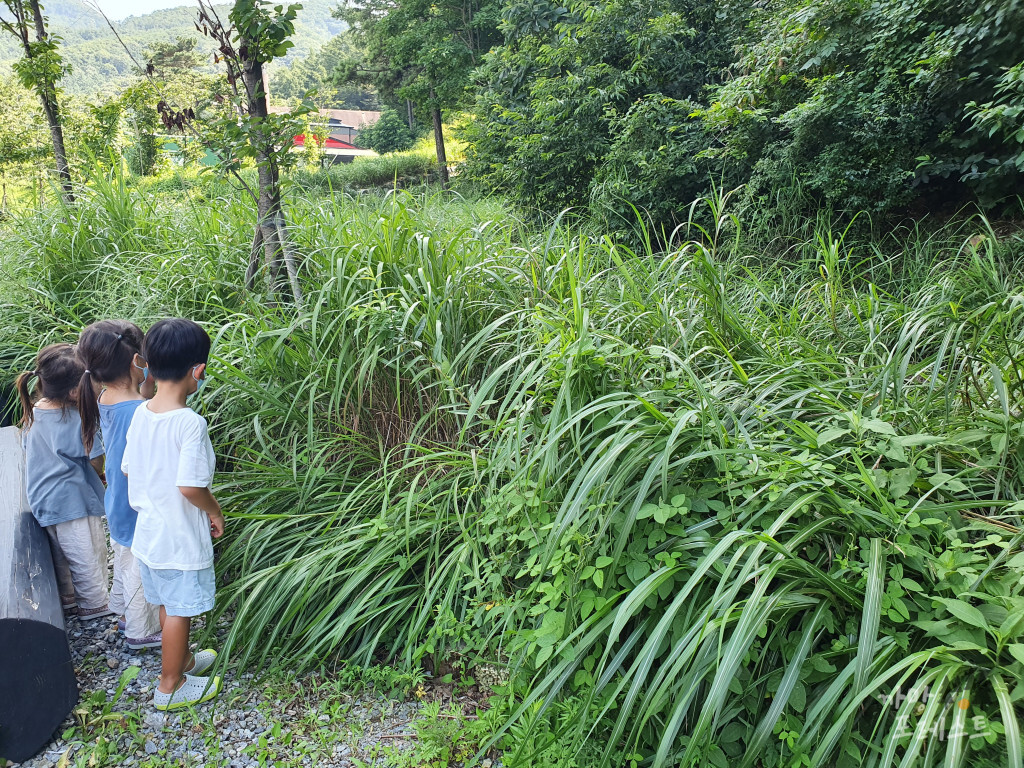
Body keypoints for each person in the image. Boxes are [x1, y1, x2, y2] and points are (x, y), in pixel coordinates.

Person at [122, 318, 224, 710]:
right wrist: (214, 510)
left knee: (167, 602)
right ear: (197, 371)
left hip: (148, 534)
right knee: (180, 610)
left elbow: (129, 468)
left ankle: (179, 658)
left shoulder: (141, 413)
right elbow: (191, 487)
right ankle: (171, 685)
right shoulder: (190, 424)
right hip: (178, 537)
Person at [78, 320, 162, 650]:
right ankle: (140, 632)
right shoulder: (139, 410)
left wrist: (146, 384)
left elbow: (136, 402)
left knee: (125, 560)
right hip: (135, 505)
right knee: (140, 569)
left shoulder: (106, 396)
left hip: (117, 500)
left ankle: (125, 613)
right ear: (136, 361)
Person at [16, 343, 112, 620]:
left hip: (43, 499)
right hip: (74, 499)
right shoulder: (77, 418)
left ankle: (67, 598)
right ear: (74, 392)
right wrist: (100, 474)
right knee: (87, 554)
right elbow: (95, 461)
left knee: (62, 555)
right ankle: (94, 604)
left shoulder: (34, 410)